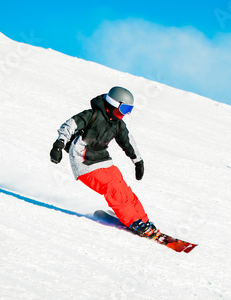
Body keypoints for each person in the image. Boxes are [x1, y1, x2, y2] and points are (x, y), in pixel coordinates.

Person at [49, 86, 160, 238]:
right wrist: (59, 144)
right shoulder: (92, 115)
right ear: (114, 103)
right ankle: (134, 221)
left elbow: (128, 142)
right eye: (125, 108)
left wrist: (138, 161)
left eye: (130, 109)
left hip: (103, 159)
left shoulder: (118, 124)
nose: (126, 113)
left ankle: (142, 221)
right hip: (84, 161)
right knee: (113, 188)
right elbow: (70, 124)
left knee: (123, 188)